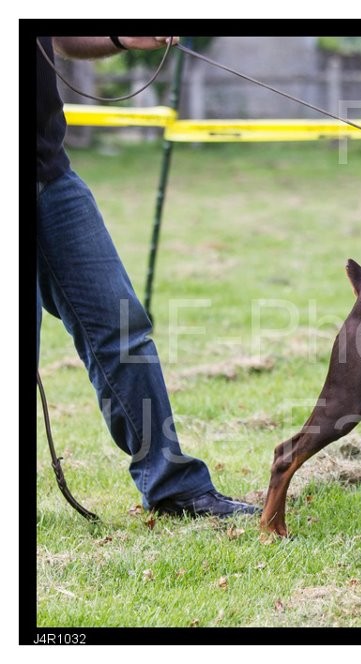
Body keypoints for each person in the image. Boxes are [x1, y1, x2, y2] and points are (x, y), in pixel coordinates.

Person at [36, 36, 258, 518]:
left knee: (122, 328)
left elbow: (60, 36)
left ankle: (173, 487)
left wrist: (119, 37)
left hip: (50, 175)